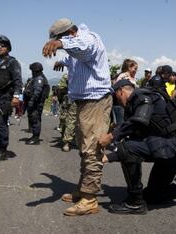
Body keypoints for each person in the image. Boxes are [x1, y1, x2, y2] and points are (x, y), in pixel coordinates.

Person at [98, 79, 176, 214]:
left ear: (121, 92)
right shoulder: (141, 100)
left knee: (127, 148)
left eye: (116, 99)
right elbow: (138, 139)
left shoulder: (140, 96)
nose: (118, 104)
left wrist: (111, 137)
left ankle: (135, 202)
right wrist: (110, 157)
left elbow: (139, 121)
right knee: (153, 195)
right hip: (174, 146)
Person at [43, 18, 112, 216]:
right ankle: (83, 190)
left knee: (92, 149)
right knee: (84, 148)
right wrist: (60, 59)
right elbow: (73, 57)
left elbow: (83, 47)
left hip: (96, 101)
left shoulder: (88, 39)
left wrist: (60, 43)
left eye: (59, 40)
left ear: (70, 33)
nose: (58, 45)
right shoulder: (74, 48)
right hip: (84, 102)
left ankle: (90, 199)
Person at [24, 62, 50, 145]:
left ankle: (36, 138)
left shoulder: (39, 79)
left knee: (35, 119)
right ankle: (34, 136)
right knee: (34, 119)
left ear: (35, 70)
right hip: (35, 102)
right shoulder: (37, 78)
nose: (32, 72)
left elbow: (37, 92)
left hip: (36, 103)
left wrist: (31, 101)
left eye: (32, 70)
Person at [57, 74, 76, 152]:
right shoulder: (82, 74)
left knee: (66, 119)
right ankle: (67, 140)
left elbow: (60, 89)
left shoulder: (67, 75)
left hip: (69, 100)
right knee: (70, 120)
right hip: (75, 100)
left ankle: (66, 141)